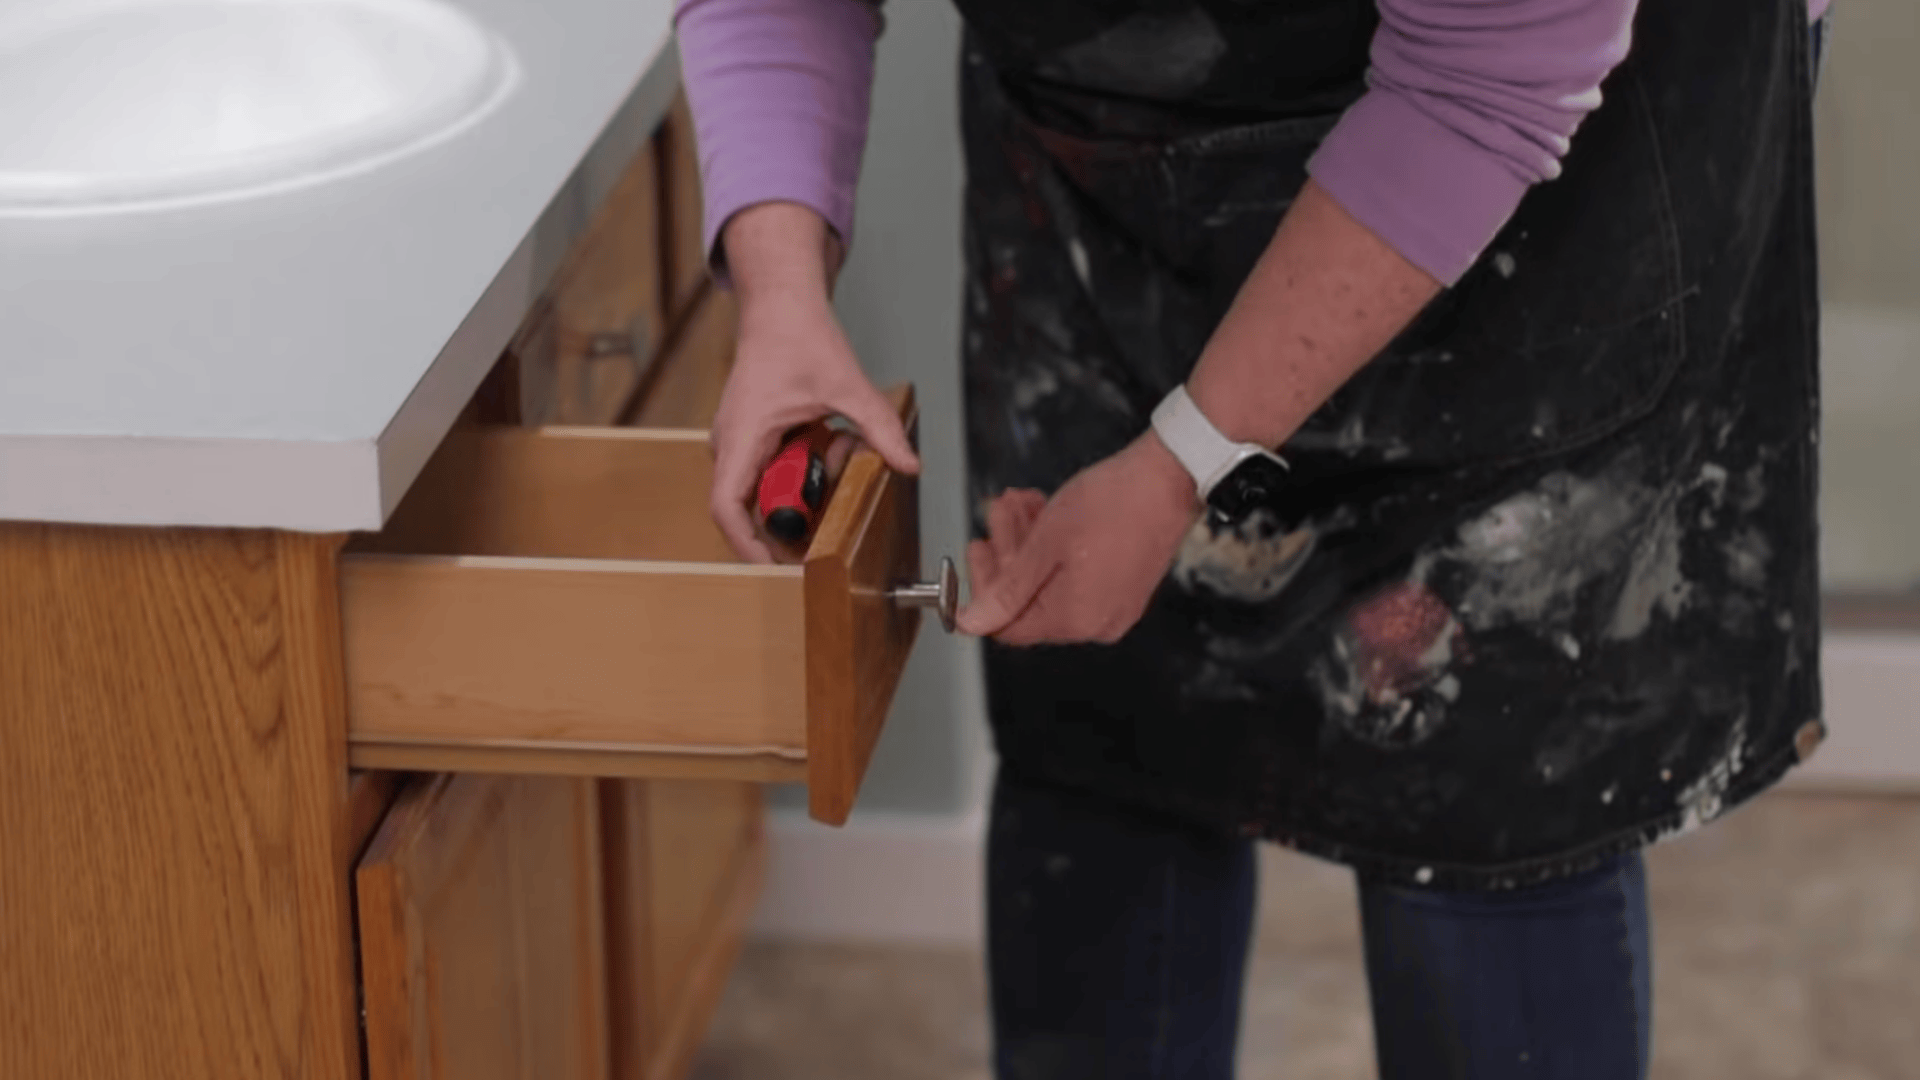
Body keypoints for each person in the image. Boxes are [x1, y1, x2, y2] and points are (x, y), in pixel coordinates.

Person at [674, 0, 1831, 1075]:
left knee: (1487, 797)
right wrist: (781, 295)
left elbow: (1490, 79)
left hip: (1548, 179)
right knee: (1112, 729)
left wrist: (1180, 462)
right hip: (1114, 175)